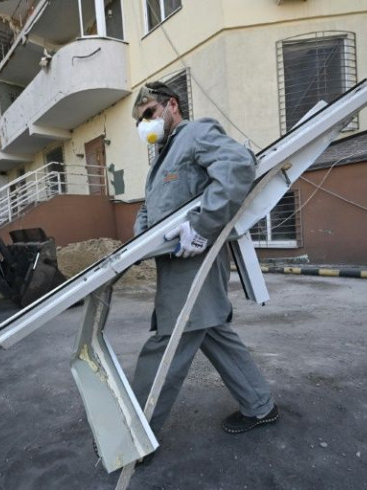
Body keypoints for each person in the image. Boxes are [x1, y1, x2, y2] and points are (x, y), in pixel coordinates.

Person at [130, 81, 279, 437]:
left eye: (149, 113)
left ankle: (134, 435)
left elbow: (238, 164)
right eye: (139, 121)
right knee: (211, 330)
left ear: (172, 106)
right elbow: (150, 207)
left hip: (194, 261)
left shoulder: (195, 134)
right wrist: (139, 243)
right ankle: (260, 406)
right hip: (175, 265)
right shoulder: (162, 158)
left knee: (169, 341)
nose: (145, 124)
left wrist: (203, 224)